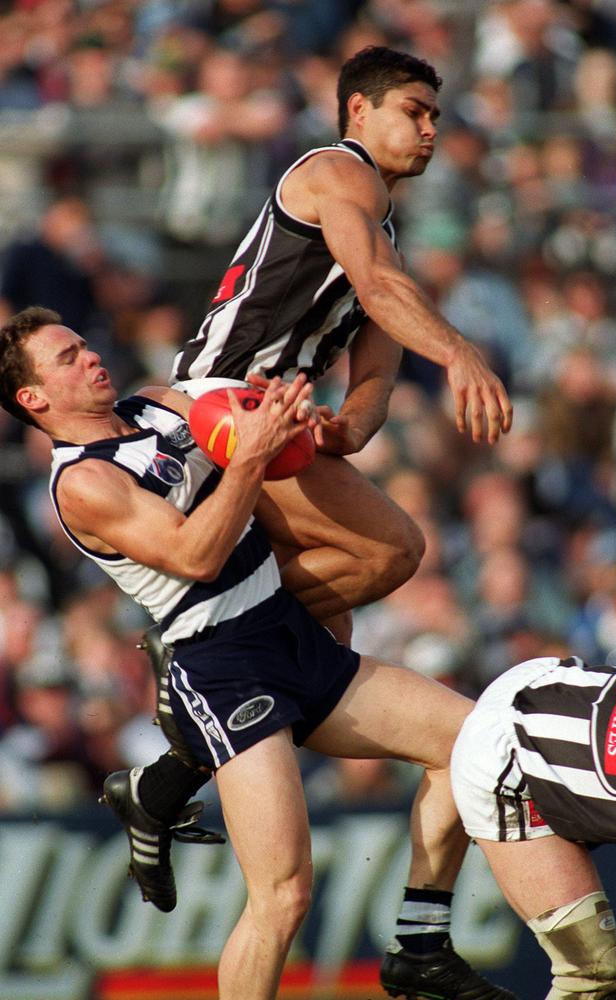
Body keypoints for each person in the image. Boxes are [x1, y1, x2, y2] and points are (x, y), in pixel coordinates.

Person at [0, 307, 517, 1000]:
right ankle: (169, 768)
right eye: (66, 358)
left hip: (288, 629)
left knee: (469, 745)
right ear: (33, 400)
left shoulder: (154, 401)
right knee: (283, 898)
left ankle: (420, 943)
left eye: (84, 343)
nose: (90, 356)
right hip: (225, 665)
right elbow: (196, 554)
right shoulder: (84, 482)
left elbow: (246, 426)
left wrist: (286, 416)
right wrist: (249, 451)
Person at [169, 44, 513, 643]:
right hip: (220, 402)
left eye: (435, 116)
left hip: (269, 419)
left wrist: (350, 428)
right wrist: (460, 351)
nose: (430, 128)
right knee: (389, 550)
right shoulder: (336, 171)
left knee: (332, 636)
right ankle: (196, 631)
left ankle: (220, 687)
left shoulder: (380, 236)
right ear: (359, 109)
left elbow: (377, 377)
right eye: (414, 112)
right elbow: (379, 290)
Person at [450, 653, 616, 1000]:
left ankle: (418, 926)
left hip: (554, 678)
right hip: (507, 759)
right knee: (591, 977)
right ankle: (419, 930)